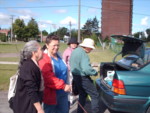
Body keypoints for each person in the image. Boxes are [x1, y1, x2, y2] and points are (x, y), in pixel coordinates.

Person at [38, 35, 71, 113]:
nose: (56, 47)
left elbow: (66, 72)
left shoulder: (59, 56)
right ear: (47, 45)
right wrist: (63, 86)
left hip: (63, 93)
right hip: (51, 95)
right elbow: (48, 78)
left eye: (58, 45)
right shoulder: (44, 58)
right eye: (54, 45)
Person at [13, 40, 44, 113]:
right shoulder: (28, 66)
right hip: (26, 107)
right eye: (40, 49)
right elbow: (31, 89)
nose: (42, 51)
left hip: (29, 105)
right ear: (34, 53)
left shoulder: (32, 64)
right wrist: (39, 109)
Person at [70, 38, 100, 113]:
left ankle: (79, 111)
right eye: (91, 48)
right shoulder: (83, 54)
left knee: (82, 94)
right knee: (95, 95)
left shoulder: (75, 51)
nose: (91, 50)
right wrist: (94, 72)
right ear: (87, 47)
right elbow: (86, 69)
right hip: (83, 78)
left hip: (76, 76)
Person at [62, 37, 79, 106]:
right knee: (71, 84)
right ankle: (70, 100)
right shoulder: (67, 51)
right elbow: (64, 61)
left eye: (75, 43)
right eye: (72, 43)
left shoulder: (79, 50)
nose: (74, 45)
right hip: (70, 71)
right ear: (70, 44)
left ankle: (78, 97)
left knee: (77, 84)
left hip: (78, 71)